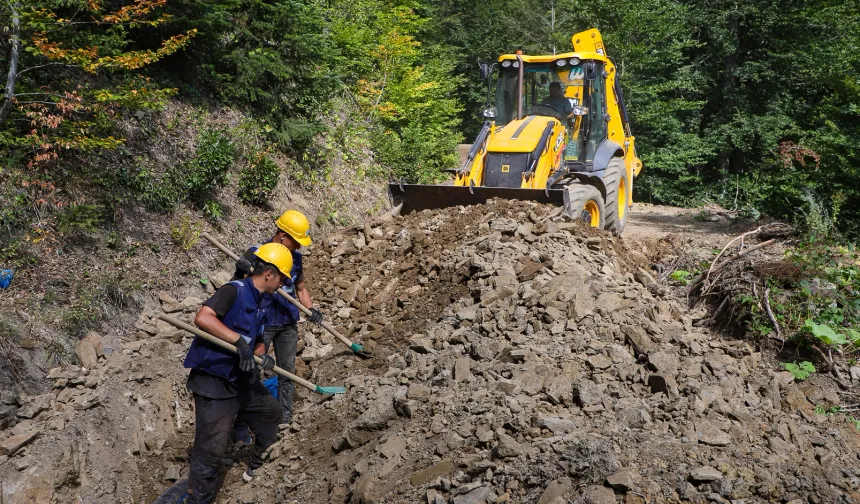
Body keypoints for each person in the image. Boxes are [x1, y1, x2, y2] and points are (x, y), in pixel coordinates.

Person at [183, 242, 293, 503]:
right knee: (211, 450)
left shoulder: (264, 303)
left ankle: (257, 464)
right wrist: (237, 341)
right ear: (269, 274)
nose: (282, 284)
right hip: (215, 381)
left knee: (272, 416)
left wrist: (261, 355)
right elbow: (204, 318)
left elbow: (257, 341)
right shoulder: (234, 290)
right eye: (281, 278)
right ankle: (199, 499)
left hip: (243, 380)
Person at [233, 209, 323, 425]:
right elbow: (239, 286)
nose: (299, 246)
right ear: (283, 235)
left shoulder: (296, 259)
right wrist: (240, 271)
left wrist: (311, 310)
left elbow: (300, 289)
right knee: (251, 369)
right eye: (296, 240)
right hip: (260, 323)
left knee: (287, 370)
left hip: (287, 322)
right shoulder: (257, 253)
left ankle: (284, 418)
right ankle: (244, 422)